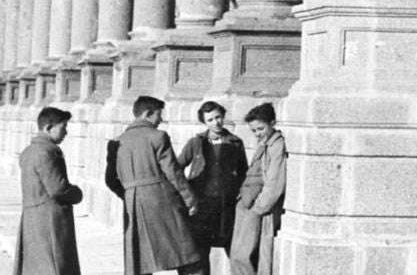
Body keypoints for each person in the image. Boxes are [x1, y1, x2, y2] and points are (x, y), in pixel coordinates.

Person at [105, 95, 203, 275]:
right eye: (159, 114)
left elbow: (110, 180)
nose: (161, 119)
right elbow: (173, 172)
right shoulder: (158, 136)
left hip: (132, 204)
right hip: (162, 200)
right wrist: (190, 200)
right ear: (148, 114)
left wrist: (129, 193)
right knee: (188, 254)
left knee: (139, 260)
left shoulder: (116, 142)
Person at [179, 101, 249, 273]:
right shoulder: (196, 143)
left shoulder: (235, 143)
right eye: (210, 120)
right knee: (200, 255)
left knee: (235, 250)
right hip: (201, 207)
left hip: (226, 207)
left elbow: (243, 173)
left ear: (223, 116)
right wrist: (186, 195)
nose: (215, 123)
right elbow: (176, 167)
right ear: (204, 122)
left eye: (218, 117)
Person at [14, 106, 82, 275]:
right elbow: (58, 189)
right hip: (50, 220)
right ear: (49, 128)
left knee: (36, 267)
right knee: (55, 266)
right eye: (63, 127)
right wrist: (77, 193)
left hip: (33, 217)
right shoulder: (47, 152)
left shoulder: (29, 151)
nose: (66, 132)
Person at [229, 102, 286, 275]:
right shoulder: (265, 144)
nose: (257, 134)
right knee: (237, 255)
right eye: (254, 130)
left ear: (273, 123)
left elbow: (275, 183)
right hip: (245, 203)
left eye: (260, 129)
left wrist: (258, 209)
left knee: (242, 257)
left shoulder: (276, 145)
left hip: (256, 208)